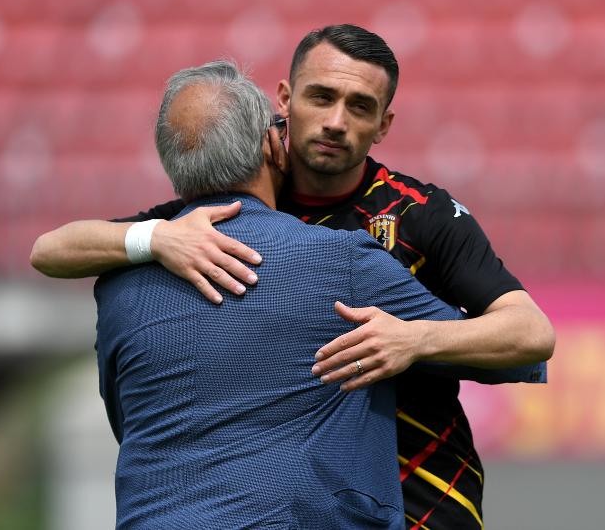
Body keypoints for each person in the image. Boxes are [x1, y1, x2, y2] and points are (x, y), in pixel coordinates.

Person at [32, 25, 555, 529]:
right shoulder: (216, 211)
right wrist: (155, 238)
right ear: (284, 99)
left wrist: (415, 337)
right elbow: (50, 250)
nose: (335, 121)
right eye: (321, 97)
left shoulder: (420, 214)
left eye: (360, 106)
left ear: (384, 125)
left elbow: (531, 337)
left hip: (426, 495)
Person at [96, 60, 466, 529]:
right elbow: (510, 354)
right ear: (272, 144)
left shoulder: (116, 285)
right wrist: (414, 339)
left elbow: (127, 425)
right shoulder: (343, 260)